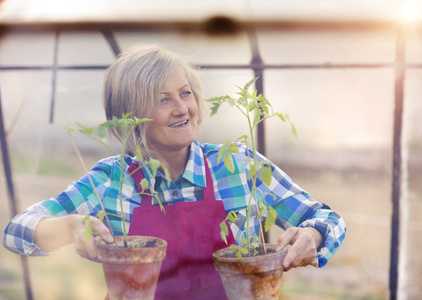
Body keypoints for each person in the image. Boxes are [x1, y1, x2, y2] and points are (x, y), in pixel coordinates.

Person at [3, 44, 346, 299]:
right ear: (130, 115)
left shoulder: (238, 165)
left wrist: (311, 236)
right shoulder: (111, 180)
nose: (182, 109)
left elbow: (327, 219)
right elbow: (17, 231)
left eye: (185, 93)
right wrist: (70, 226)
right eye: (163, 99)